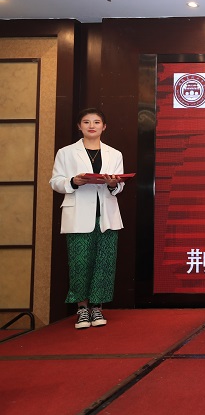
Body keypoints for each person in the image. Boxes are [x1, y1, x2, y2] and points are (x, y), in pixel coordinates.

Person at [50, 108, 125, 329]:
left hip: (106, 216)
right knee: (80, 263)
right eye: (86, 122)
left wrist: (113, 184)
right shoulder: (66, 153)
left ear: (104, 127)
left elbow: (119, 186)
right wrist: (73, 181)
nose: (91, 126)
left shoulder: (115, 154)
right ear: (79, 126)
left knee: (104, 262)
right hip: (78, 215)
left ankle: (97, 307)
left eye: (96, 122)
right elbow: (55, 182)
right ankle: (82, 309)